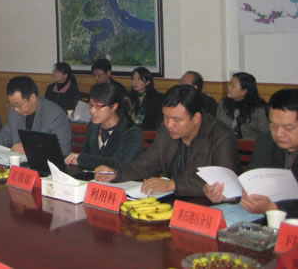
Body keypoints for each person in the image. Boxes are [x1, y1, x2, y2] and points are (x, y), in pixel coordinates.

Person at [95, 85, 240, 197]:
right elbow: (145, 164)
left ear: (196, 118)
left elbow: (225, 183)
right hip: (173, 202)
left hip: (208, 206)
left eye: (176, 119)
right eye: (165, 117)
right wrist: (116, 173)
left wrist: (173, 185)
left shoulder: (221, 137)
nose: (169, 124)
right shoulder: (166, 131)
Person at [204, 89, 298, 217]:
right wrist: (228, 194)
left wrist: (273, 208)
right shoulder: (265, 142)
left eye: (288, 128)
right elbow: (251, 182)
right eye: (273, 126)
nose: (279, 134)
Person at [0, 76, 72, 155]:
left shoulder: (55, 114)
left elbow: (64, 149)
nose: (15, 109)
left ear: (32, 98)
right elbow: (6, 135)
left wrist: (30, 149)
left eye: (18, 105)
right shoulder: (14, 111)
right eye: (12, 105)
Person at [65, 83, 142, 170]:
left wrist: (81, 159)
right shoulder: (93, 126)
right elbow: (87, 155)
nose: (92, 111)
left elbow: (117, 164)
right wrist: (77, 160)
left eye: (98, 106)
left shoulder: (131, 131)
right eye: (91, 105)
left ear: (114, 106)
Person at [215, 72, 268, 139]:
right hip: (226, 142)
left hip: (250, 144)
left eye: (233, 86)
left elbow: (265, 134)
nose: (229, 87)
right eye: (229, 84)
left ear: (244, 91)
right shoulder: (223, 104)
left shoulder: (258, 109)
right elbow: (217, 126)